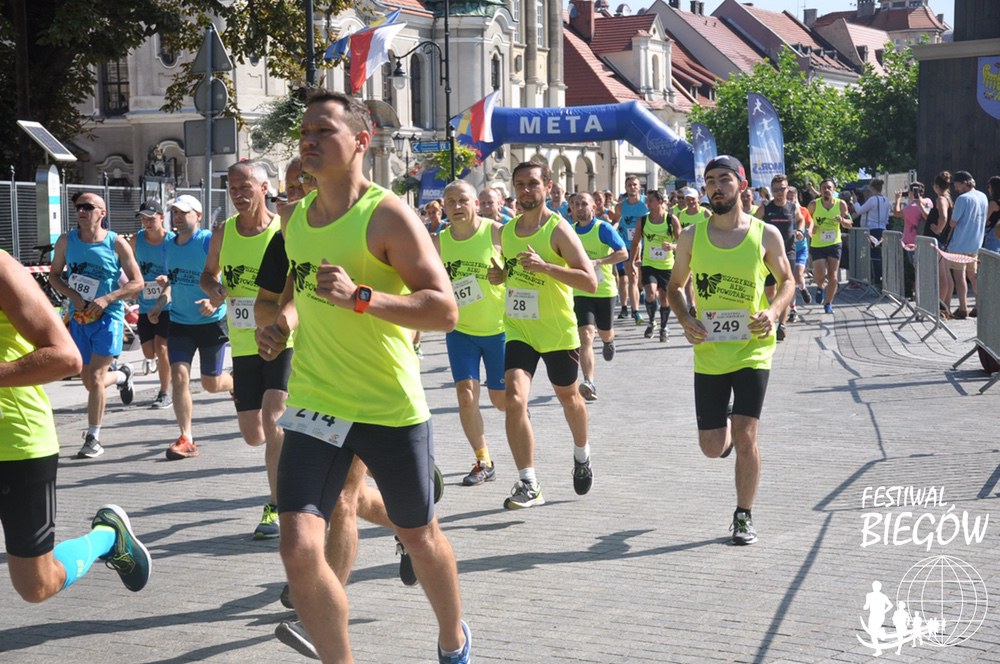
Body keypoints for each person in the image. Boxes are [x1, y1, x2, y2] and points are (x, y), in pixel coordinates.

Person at [276, 90, 469, 664]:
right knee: (298, 547)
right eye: (304, 131)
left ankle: (454, 640)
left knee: (419, 536)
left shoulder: (387, 215)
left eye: (323, 131)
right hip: (316, 400)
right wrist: (280, 326)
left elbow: (444, 310)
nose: (308, 140)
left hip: (387, 404)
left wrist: (362, 297)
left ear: (361, 141)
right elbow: (300, 294)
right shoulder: (296, 219)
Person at [1, 249, 151, 602]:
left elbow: (66, 357)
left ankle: (108, 536)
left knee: (36, 585)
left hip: (16, 444)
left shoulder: (2, 268)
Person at [666, 155, 794, 545]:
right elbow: (675, 288)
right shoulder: (691, 237)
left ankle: (743, 515)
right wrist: (686, 319)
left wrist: (773, 312)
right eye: (710, 181)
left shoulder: (765, 234)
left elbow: (787, 281)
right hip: (710, 352)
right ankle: (725, 423)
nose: (716, 187)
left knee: (746, 434)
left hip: (753, 349)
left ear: (742, 185)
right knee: (711, 447)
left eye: (724, 179)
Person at [486, 161, 597, 509]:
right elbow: (513, 271)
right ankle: (528, 482)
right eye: (519, 184)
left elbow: (590, 281)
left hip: (557, 332)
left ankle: (582, 454)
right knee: (514, 399)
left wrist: (546, 267)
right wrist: (500, 276)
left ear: (548, 186)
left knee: (569, 398)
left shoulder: (558, 230)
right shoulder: (507, 231)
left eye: (532, 183)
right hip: (519, 328)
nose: (525, 190)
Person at [200, 160, 287, 539]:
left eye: (244, 187)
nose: (237, 194)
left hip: (282, 339)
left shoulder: (283, 230)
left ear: (264, 188)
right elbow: (208, 274)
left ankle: (277, 506)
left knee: (274, 418)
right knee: (255, 434)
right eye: (232, 188)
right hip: (243, 343)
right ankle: (289, 447)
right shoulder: (223, 232)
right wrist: (214, 289)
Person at [48, 193, 143, 459]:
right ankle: (123, 376)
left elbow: (137, 283)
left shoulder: (116, 243)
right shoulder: (66, 241)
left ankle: (93, 438)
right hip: (80, 317)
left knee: (98, 378)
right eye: (78, 207)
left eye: (88, 207)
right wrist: (73, 295)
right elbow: (54, 276)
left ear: (102, 213)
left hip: (108, 317)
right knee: (89, 381)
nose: (81, 210)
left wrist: (107, 299)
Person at [433, 181, 508, 486]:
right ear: (444, 206)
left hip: (499, 330)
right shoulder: (439, 242)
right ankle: (483, 460)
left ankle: (520, 425)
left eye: (463, 200)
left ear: (476, 203)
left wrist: (505, 274)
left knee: (502, 401)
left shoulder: (497, 232)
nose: (456, 206)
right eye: (450, 201)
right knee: (466, 397)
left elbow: (523, 269)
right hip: (461, 331)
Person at [156, 194, 234, 460]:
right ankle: (186, 438)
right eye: (175, 212)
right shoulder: (168, 245)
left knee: (211, 384)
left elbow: (222, 277)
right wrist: (160, 303)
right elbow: (173, 281)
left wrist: (213, 301)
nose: (177, 217)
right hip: (180, 322)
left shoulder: (207, 241)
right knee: (179, 377)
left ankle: (234, 382)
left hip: (211, 322)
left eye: (183, 212)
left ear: (198, 216)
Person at [571, 191, 628, 401]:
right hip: (580, 290)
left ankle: (608, 341)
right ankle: (589, 381)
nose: (579, 208)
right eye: (576, 204)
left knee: (604, 332)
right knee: (586, 335)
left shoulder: (602, 228)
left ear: (593, 207)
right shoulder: (569, 231)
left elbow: (623, 253)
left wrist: (598, 262)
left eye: (583, 204)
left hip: (604, 290)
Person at [130, 200, 174, 409]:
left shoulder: (172, 241)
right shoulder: (136, 240)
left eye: (151, 218)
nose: (147, 222)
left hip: (168, 303)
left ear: (162, 218)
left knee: (161, 347)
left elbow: (179, 270)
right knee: (149, 352)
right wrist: (132, 283)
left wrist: (168, 279)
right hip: (145, 303)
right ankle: (128, 374)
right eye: (143, 219)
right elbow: (126, 264)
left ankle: (165, 392)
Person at [754, 174, 804, 340]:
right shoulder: (766, 207)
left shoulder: (792, 207)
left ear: (787, 188)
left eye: (782, 189)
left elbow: (801, 220)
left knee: (785, 287)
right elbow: (753, 224)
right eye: (775, 190)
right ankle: (775, 309)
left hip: (788, 252)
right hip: (769, 254)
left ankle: (781, 325)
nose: (779, 193)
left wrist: (800, 231)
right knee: (770, 292)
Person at [629, 189, 681, 343]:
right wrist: (632, 262)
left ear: (660, 202)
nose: (648, 203)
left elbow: (682, 243)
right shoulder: (643, 221)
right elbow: (635, 242)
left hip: (666, 265)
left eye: (651, 201)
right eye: (647, 200)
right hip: (649, 264)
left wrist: (672, 246)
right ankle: (652, 321)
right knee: (650, 294)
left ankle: (664, 327)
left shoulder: (671, 220)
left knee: (664, 299)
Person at [947, 170, 988, 319]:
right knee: (973, 275)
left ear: (964, 183)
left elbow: (953, 222)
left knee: (960, 276)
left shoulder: (962, 199)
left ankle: (963, 308)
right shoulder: (983, 196)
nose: (955, 188)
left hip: (960, 244)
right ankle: (978, 305)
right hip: (975, 242)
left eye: (957, 184)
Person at [807, 179, 853, 314]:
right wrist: (811, 228)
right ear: (820, 190)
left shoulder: (841, 204)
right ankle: (820, 287)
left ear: (834, 190)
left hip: (834, 244)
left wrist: (842, 220)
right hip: (818, 244)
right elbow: (805, 220)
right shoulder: (814, 204)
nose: (826, 190)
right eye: (824, 188)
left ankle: (828, 303)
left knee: (833, 276)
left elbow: (850, 223)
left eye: (829, 188)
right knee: (820, 274)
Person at [612, 176, 647, 324]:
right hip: (627, 245)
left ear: (639, 187)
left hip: (645, 245)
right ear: (625, 188)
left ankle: (640, 296)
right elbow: (615, 221)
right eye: (629, 185)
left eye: (635, 185)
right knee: (632, 277)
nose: (632, 187)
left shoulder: (646, 203)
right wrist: (612, 231)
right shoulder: (620, 207)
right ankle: (635, 311)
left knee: (640, 280)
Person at [924, 171, 954, 317]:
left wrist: (938, 229)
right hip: (942, 241)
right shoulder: (948, 198)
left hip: (937, 241)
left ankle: (940, 308)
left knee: (942, 276)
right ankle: (946, 307)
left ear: (936, 186)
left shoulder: (941, 199)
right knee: (946, 275)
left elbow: (944, 217)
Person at [853, 178, 889, 284]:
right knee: (878, 254)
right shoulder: (886, 199)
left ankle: (877, 279)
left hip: (872, 229)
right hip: (882, 228)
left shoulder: (872, 199)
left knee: (874, 255)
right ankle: (879, 278)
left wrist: (855, 202)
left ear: (872, 188)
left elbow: (859, 210)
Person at [785, 185, 813, 313]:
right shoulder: (782, 211)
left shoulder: (802, 210)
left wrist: (809, 230)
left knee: (797, 274)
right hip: (787, 249)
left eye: (793, 198)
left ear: (797, 197)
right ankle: (793, 308)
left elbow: (810, 222)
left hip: (801, 248)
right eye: (788, 198)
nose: (791, 201)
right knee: (789, 280)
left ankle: (803, 288)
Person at [985, 175, 1000, 253]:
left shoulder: (993, 203)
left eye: (989, 187)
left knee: (991, 255)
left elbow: (984, 219)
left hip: (992, 232)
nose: (988, 189)